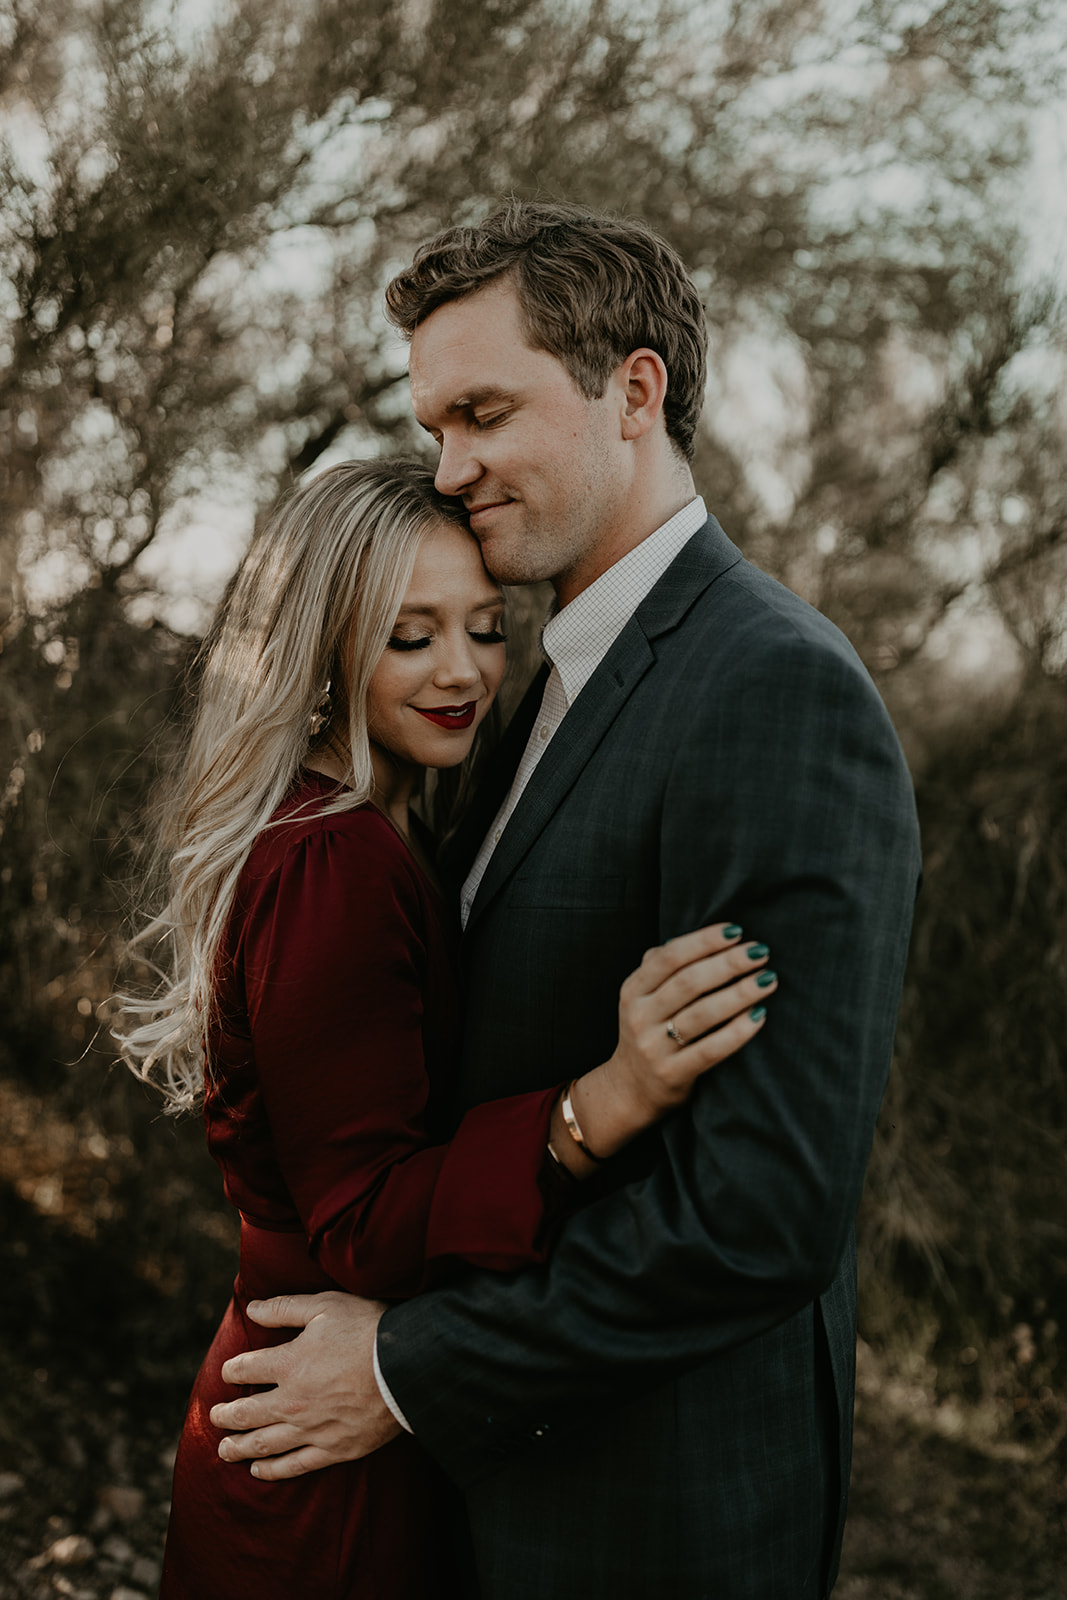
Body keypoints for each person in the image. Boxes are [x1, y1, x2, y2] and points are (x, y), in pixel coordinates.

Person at [209, 203, 923, 1599]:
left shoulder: (771, 686)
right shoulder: (540, 682)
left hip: (648, 1516)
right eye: (432, 427)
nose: (450, 466)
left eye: (482, 412)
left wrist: (407, 1370)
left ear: (633, 391)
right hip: (486, 1502)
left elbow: (759, 1212)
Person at [116, 456, 777, 1599]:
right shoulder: (335, 859)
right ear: (324, 649)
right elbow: (363, 1217)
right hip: (315, 1452)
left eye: (483, 627)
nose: (464, 671)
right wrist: (594, 1108)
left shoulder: (371, 826)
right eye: (410, 637)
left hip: (304, 1408)